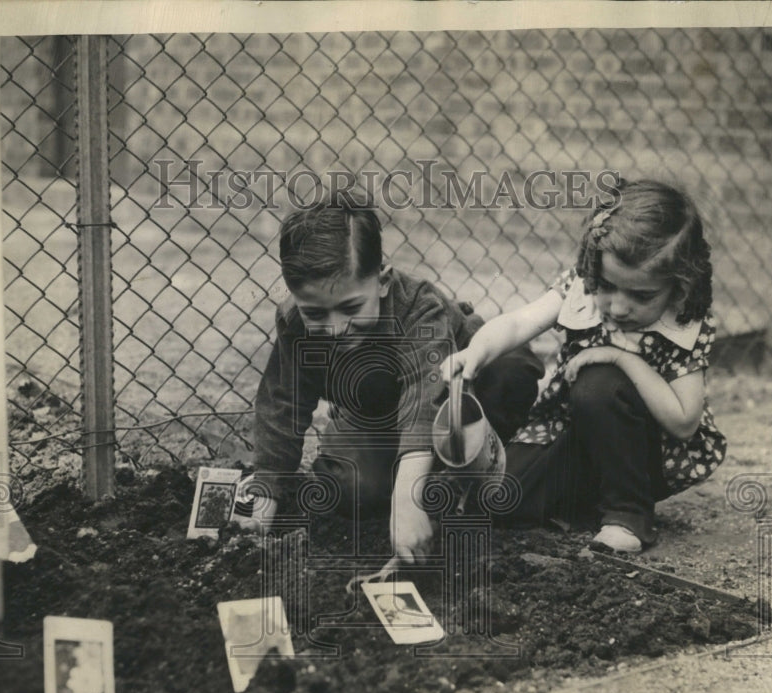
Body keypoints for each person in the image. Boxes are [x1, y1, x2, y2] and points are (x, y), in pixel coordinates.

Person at [252, 190, 545, 561]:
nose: (337, 328)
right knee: (351, 489)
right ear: (295, 298)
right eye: (317, 314)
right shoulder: (295, 323)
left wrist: (408, 498)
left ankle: (467, 472)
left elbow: (427, 393)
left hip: (456, 391)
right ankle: (420, 471)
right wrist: (266, 488)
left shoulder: (416, 306)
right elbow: (282, 401)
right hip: (377, 413)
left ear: (384, 280)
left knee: (511, 370)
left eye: (350, 307)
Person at [445, 178, 727, 553]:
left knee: (600, 382)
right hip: (569, 434)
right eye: (608, 286)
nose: (618, 307)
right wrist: (476, 351)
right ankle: (583, 500)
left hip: (644, 453)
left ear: (680, 285)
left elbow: (683, 420)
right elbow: (518, 322)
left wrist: (622, 359)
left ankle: (627, 516)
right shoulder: (583, 287)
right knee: (497, 501)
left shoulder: (683, 321)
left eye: (642, 295)